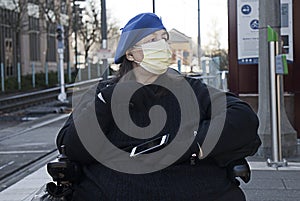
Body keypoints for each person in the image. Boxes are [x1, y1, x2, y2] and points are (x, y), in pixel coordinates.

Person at [56, 13, 261, 201]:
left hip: (192, 187)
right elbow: (72, 147)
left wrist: (193, 143)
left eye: (164, 38)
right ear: (130, 54)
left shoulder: (191, 89)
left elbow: (242, 117)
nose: (162, 44)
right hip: (116, 190)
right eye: (152, 40)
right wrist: (106, 102)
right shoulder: (103, 95)